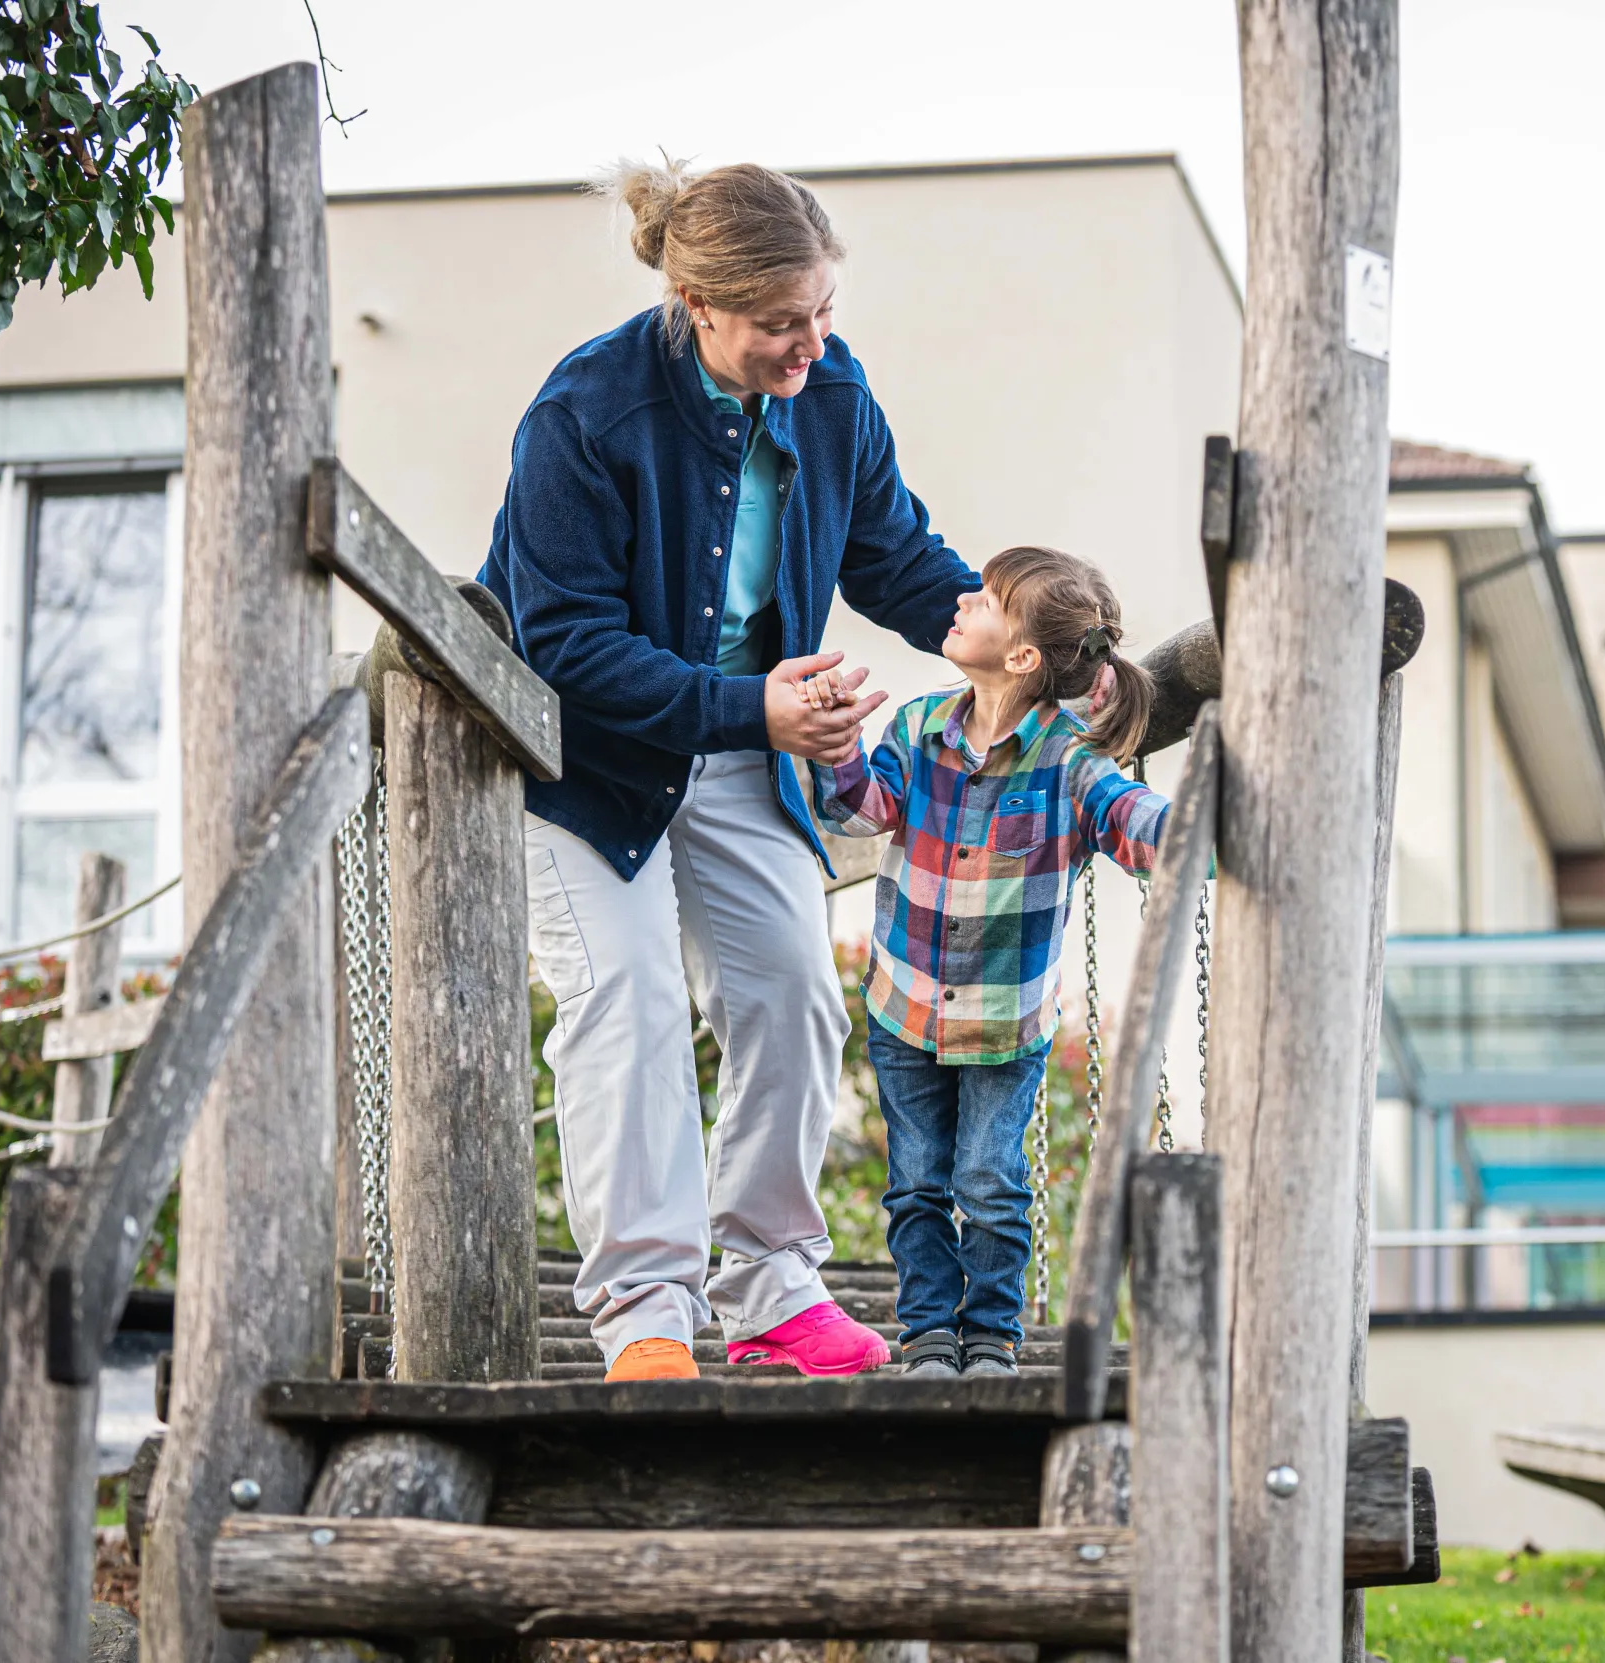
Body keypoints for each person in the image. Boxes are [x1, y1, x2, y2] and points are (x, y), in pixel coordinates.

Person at [477, 156, 980, 1381]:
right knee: (629, 1002)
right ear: (696, 304)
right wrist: (758, 704)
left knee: (793, 993)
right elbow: (564, 643)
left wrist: (1020, 639)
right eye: (779, 323)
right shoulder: (583, 414)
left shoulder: (833, 391)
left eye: (823, 312)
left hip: (747, 747)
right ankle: (647, 1311)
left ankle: (770, 1289)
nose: (811, 344)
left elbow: (895, 555)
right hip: (584, 766)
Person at [809, 547, 1168, 1377]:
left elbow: (1131, 817)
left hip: (1005, 1021)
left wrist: (1207, 827)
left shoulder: (1069, 760)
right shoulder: (917, 727)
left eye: (987, 599)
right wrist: (840, 747)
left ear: (1024, 656)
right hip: (905, 1005)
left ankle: (993, 1333)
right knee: (916, 1181)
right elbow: (864, 811)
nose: (963, 599)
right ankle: (929, 1330)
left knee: (989, 1181)